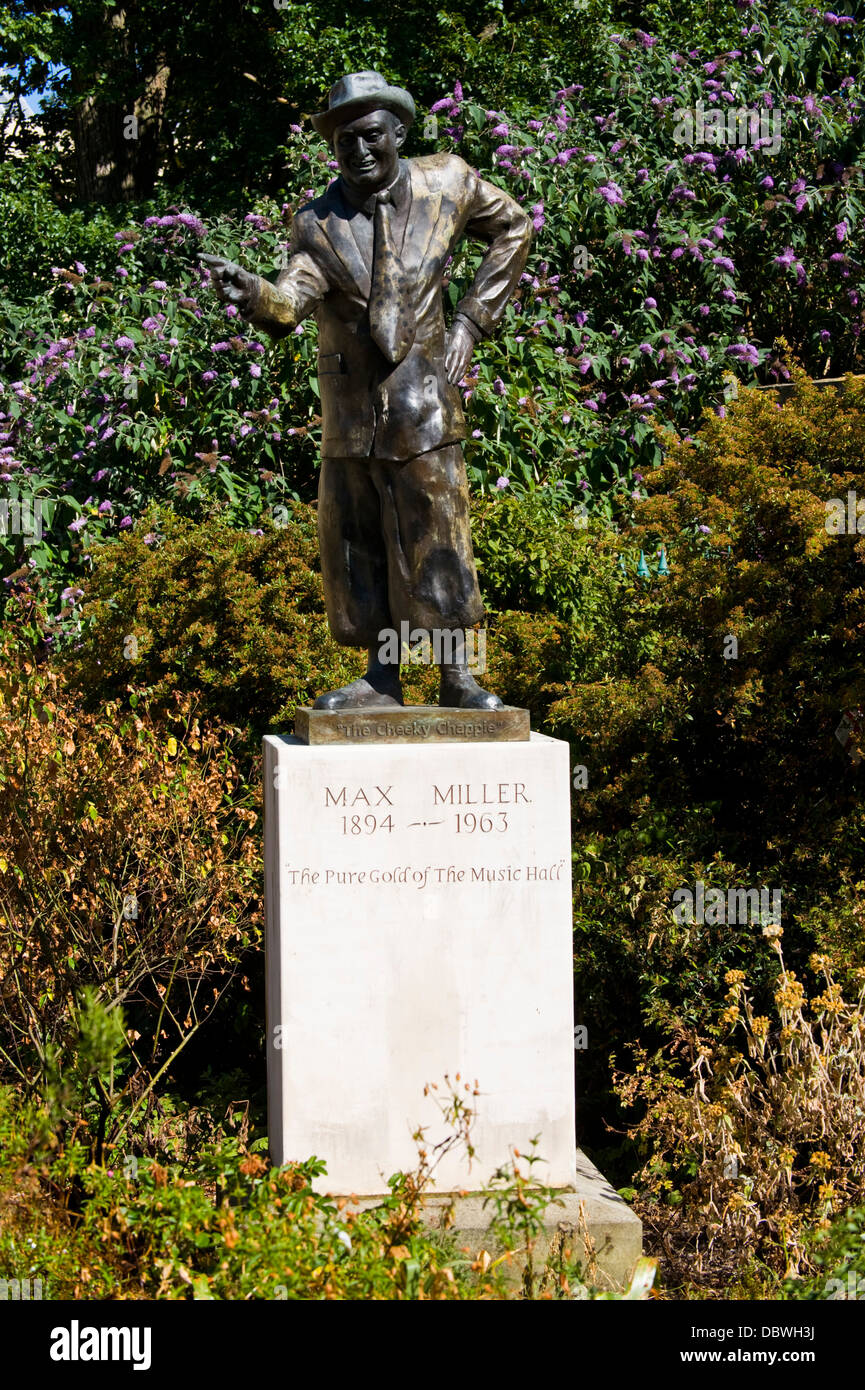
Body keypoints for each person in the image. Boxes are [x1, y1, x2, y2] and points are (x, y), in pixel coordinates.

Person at [202, 70, 532, 710]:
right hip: (351, 413)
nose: (358, 151)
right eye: (344, 140)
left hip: (424, 404)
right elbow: (291, 298)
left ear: (399, 133)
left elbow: (515, 230)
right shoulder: (315, 224)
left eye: (371, 136)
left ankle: (457, 677)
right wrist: (254, 295)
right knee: (358, 545)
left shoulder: (449, 183)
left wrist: (472, 319)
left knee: (438, 534)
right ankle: (382, 679)